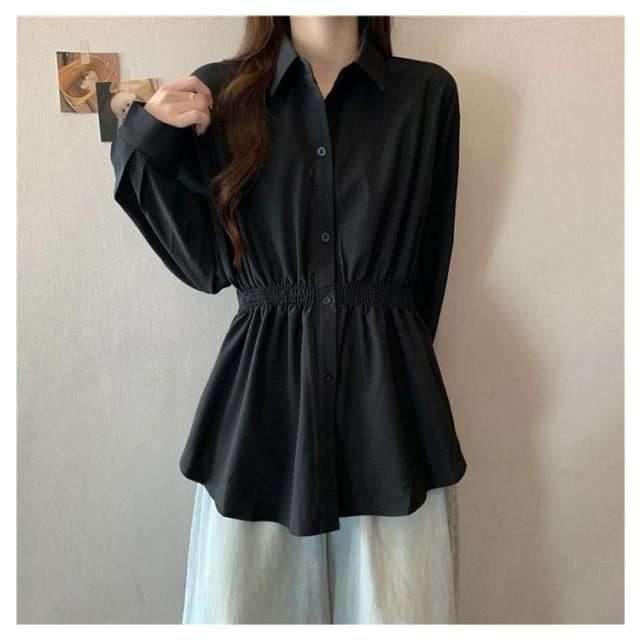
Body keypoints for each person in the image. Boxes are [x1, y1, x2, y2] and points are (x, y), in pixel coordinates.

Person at [110, 15, 466, 624]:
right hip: (263, 416)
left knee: (397, 610)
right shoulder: (221, 94)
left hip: (389, 414)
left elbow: (428, 268)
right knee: (247, 608)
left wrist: (390, 361)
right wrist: (144, 139)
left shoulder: (427, 93)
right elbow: (205, 266)